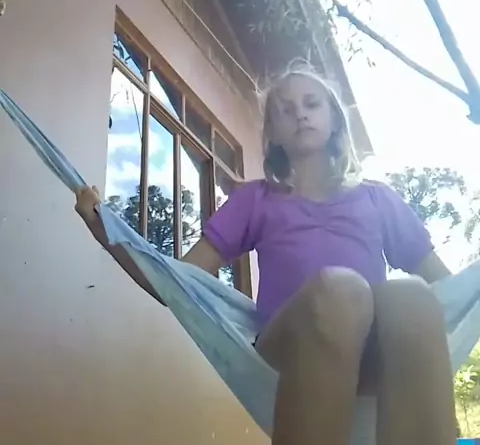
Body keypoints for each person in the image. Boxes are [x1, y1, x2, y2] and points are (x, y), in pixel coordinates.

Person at [75, 65, 457, 445]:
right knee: (341, 291)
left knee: (412, 296)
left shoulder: (378, 200)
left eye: (312, 104)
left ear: (335, 121)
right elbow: (176, 282)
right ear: (272, 132)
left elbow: (449, 287)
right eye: (286, 110)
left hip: (374, 358)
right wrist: (106, 234)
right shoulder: (256, 200)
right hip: (286, 352)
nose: (301, 114)